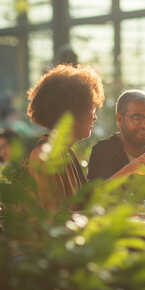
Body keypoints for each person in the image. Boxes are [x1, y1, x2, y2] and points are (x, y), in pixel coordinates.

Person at [25, 64, 105, 212]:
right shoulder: (46, 156)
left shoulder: (65, 152)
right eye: (91, 110)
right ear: (72, 114)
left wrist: (129, 170)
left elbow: (85, 199)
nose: (94, 118)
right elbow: (53, 218)